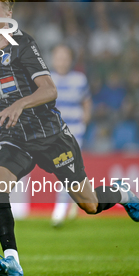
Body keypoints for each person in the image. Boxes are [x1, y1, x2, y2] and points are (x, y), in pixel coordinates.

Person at [0, 0, 139, 276]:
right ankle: (12, 260)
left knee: (89, 204)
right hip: (15, 137)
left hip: (50, 135)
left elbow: (49, 89)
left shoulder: (22, 44)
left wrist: (19, 103)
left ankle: (121, 192)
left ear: (8, 15)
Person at [49, 44, 92, 227]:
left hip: (74, 131)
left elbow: (86, 102)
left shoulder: (79, 80)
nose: (62, 61)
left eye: (65, 57)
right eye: (59, 57)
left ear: (71, 60)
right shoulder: (47, 79)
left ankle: (59, 210)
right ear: (53, 59)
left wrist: (85, 120)